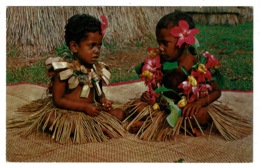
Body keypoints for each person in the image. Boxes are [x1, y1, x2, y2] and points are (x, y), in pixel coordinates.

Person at [123, 12, 251, 141]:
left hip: (188, 108)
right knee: (136, 106)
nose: (160, 48)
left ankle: (153, 125)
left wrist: (198, 103)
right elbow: (157, 86)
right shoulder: (161, 62)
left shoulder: (197, 65)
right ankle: (180, 127)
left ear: (184, 43)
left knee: (199, 116)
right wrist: (150, 96)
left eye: (165, 43)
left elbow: (216, 91)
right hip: (166, 106)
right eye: (159, 43)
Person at [7, 14, 125, 144]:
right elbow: (58, 100)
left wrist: (102, 100)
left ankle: (92, 128)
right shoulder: (64, 70)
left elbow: (98, 94)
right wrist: (84, 107)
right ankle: (91, 130)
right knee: (50, 119)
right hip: (68, 113)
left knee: (119, 113)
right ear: (74, 46)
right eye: (91, 46)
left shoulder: (96, 70)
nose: (97, 51)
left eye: (99, 46)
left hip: (91, 112)